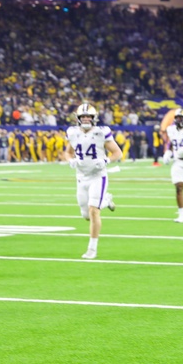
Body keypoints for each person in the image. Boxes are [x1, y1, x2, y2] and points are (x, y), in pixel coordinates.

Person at [64, 102, 122, 259]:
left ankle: (92, 249)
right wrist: (70, 160)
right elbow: (68, 152)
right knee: (86, 215)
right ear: (78, 118)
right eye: (83, 117)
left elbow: (117, 152)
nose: (86, 119)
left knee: (93, 211)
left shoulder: (101, 133)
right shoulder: (72, 133)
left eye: (88, 117)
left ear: (94, 118)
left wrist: (106, 161)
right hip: (81, 177)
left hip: (98, 176)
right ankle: (106, 200)